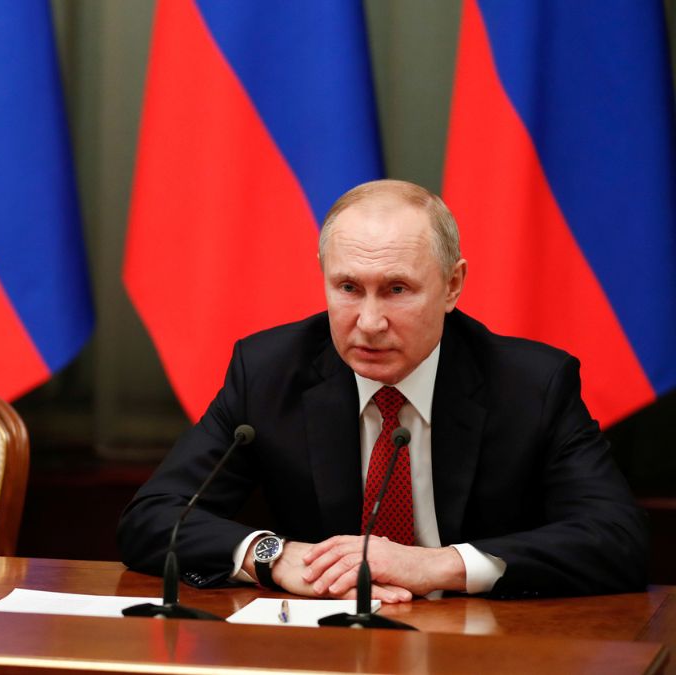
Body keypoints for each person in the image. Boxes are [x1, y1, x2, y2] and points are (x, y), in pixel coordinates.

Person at [118, 179, 647, 600]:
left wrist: (438, 564)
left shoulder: (530, 385)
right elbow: (152, 518)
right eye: (348, 288)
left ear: (453, 285)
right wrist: (273, 556)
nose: (369, 322)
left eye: (397, 290)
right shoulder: (269, 372)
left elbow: (617, 541)